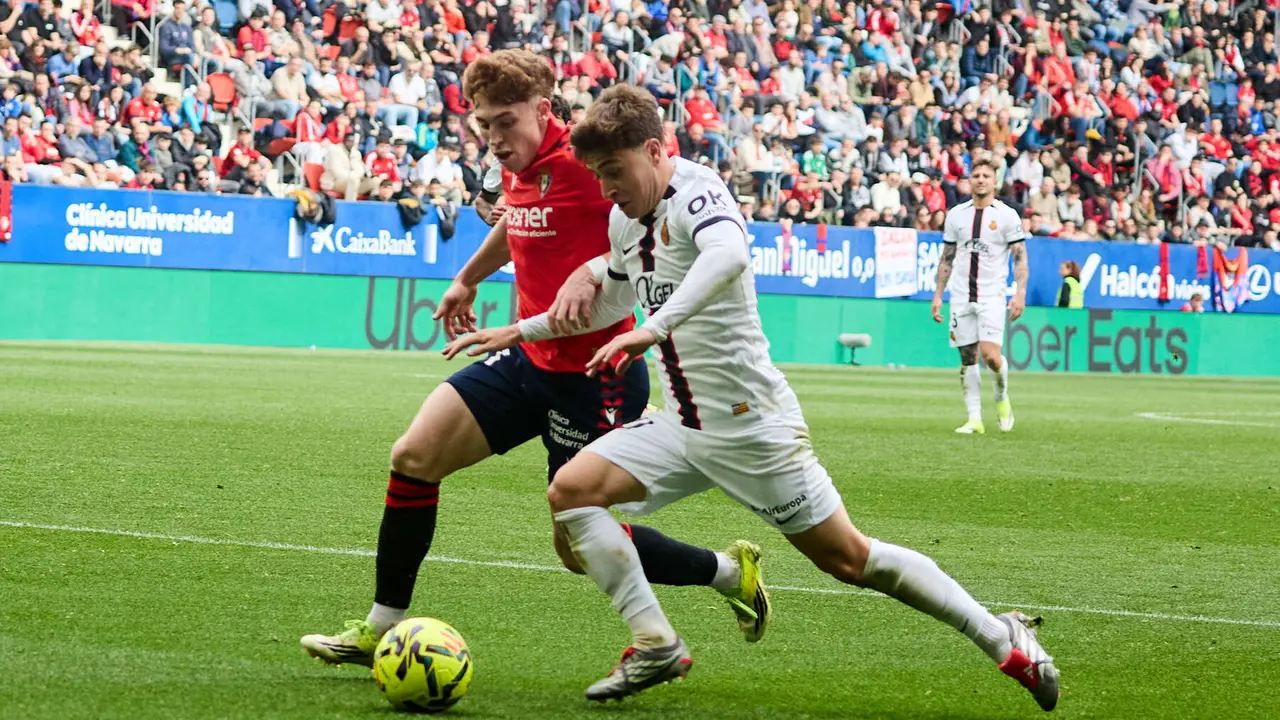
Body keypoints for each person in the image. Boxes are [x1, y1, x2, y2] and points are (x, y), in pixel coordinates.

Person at [443, 85, 1060, 710]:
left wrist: (656, 328)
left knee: (849, 559)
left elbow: (730, 255)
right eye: (598, 175)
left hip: (752, 429)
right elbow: (616, 300)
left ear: (655, 150)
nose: (606, 189)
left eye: (614, 172)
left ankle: (998, 634)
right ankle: (655, 642)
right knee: (570, 494)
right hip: (683, 426)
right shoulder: (624, 216)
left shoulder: (698, 191)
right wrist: (524, 329)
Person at [300, 50, 767, 667]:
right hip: (527, 357)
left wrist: (596, 269)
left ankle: (728, 574)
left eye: (506, 122)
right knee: (414, 457)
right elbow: (516, 218)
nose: (493, 138)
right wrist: (467, 278)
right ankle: (381, 630)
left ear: (544, 111)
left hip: (595, 375)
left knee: (575, 547)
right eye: (483, 123)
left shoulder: (586, 161)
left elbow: (649, 224)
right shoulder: (516, 165)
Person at [930, 160, 1029, 435]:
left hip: (992, 294)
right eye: (976, 175)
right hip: (961, 295)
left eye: (987, 175)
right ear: (969, 180)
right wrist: (938, 294)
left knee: (991, 355)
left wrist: (1020, 292)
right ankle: (974, 419)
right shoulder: (956, 215)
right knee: (967, 356)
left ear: (995, 181)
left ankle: (1001, 397)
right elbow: (946, 258)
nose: (981, 180)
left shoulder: (1008, 216)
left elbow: (1020, 258)